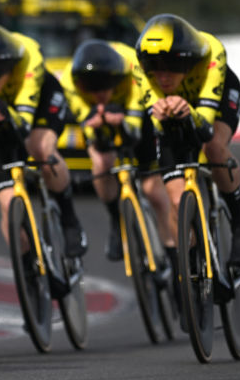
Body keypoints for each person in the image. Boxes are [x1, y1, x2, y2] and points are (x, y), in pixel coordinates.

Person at [136, 13, 240, 266]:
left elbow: (204, 130)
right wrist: (167, 116)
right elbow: (161, 127)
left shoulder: (212, 52)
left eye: (171, 65)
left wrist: (187, 112)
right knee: (177, 199)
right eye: (154, 66)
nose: (163, 76)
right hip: (179, 109)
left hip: (216, 99)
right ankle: (189, 265)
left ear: (188, 61)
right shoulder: (140, 69)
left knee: (213, 148)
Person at [0, 21, 87, 258]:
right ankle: (28, 269)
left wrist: (4, 112)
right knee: (8, 206)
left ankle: (69, 219)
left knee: (40, 148)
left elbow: (24, 126)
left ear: (9, 63)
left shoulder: (28, 56)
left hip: (40, 103)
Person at [60, 39, 175, 266]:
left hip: (134, 112)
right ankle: (116, 220)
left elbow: (134, 129)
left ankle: (174, 253)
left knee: (153, 189)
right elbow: (89, 129)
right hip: (102, 117)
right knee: (101, 163)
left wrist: (121, 121)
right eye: (91, 88)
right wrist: (96, 122)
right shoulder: (69, 81)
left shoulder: (134, 69)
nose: (99, 93)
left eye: (105, 86)